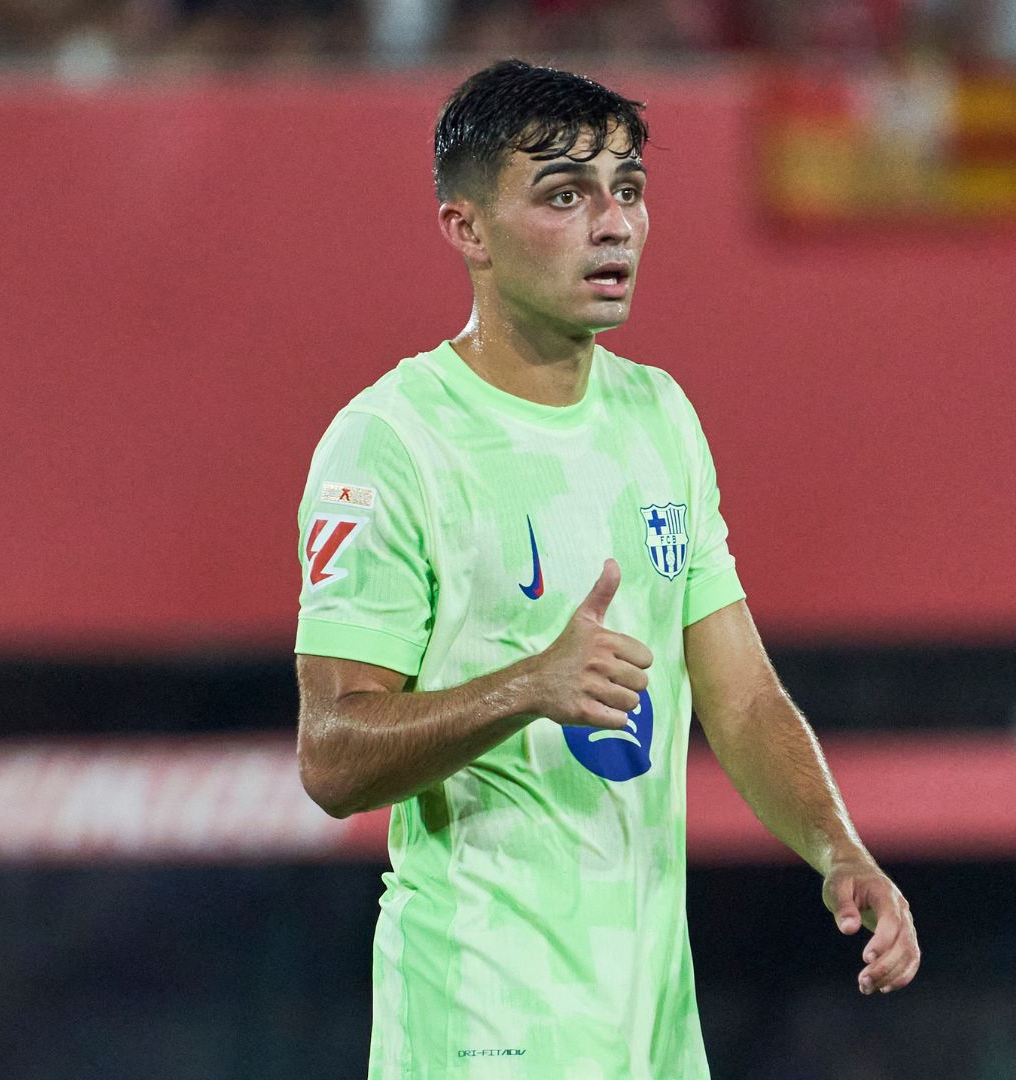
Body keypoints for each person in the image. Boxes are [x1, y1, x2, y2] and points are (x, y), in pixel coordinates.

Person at [292, 58, 921, 1078]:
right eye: (565, 196)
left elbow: (745, 698)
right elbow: (330, 755)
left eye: (627, 190)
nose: (614, 223)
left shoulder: (659, 417)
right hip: (481, 1017)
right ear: (468, 230)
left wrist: (835, 846)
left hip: (649, 1025)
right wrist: (529, 686)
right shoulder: (391, 444)